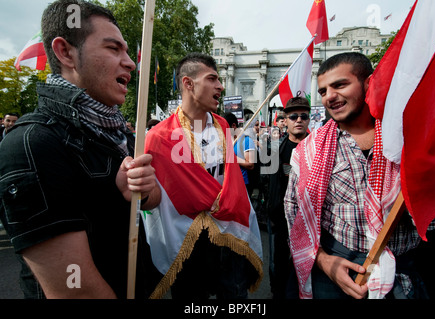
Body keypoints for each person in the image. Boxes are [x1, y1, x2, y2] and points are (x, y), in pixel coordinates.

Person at [0, 0, 161, 299]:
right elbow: (76, 292)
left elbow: (151, 201)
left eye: (127, 51)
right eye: (114, 49)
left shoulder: (118, 132)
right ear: (65, 53)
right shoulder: (33, 144)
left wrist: (145, 188)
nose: (130, 62)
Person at [284, 52, 435, 299]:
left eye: (340, 85)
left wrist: (420, 192)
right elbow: (293, 211)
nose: (329, 96)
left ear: (369, 83)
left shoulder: (406, 140)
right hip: (336, 275)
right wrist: (324, 262)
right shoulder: (309, 150)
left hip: (404, 273)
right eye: (323, 91)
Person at [143, 52, 263, 299]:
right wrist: (140, 191)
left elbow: (230, 178)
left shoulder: (223, 126)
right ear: (188, 83)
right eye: (212, 79)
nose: (220, 86)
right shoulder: (158, 137)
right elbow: (152, 198)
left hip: (229, 232)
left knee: (234, 296)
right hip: (187, 240)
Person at [267, 97, 310, 299]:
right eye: (293, 116)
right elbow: (269, 183)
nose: (298, 119)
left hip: (309, 221)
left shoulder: (319, 149)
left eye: (303, 116)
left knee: (307, 268)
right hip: (281, 221)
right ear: (286, 119)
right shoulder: (276, 149)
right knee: (279, 267)